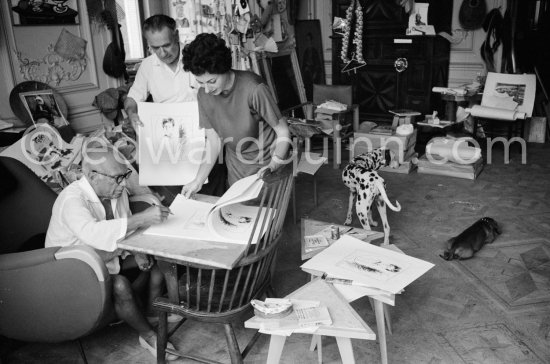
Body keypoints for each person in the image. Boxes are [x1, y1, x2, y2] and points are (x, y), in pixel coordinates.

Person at [45, 146, 180, 361]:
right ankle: (148, 336)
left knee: (157, 262)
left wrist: (137, 251)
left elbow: (123, 230)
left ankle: (150, 312)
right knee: (119, 285)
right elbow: (94, 234)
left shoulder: (116, 192)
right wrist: (141, 219)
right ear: (92, 176)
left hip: (105, 259)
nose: (124, 183)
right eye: (117, 178)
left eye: (125, 175)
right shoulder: (72, 200)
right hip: (72, 270)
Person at [124, 14, 226, 197]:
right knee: (179, 201)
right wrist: (132, 113)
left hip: (206, 139)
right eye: (155, 48)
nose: (163, 53)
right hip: (170, 146)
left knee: (211, 195)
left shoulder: (196, 59)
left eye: (167, 45)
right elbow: (132, 100)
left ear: (176, 35)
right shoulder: (147, 67)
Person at [180, 33, 291, 197]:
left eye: (212, 81)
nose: (208, 89)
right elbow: (214, 141)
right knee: (238, 215)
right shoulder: (203, 95)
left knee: (266, 217)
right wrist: (198, 180)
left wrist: (274, 165)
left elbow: (283, 131)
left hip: (267, 164)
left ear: (224, 69)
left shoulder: (253, 88)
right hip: (237, 168)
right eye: (201, 82)